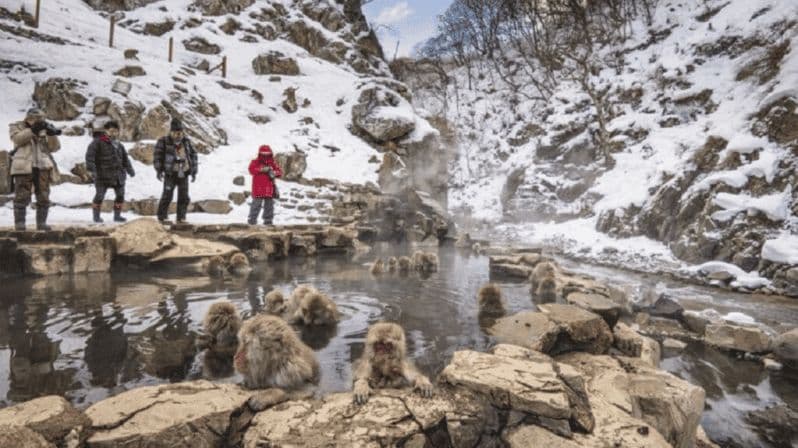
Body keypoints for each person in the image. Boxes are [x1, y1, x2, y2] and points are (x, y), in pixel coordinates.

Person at [8, 108, 61, 231]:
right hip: (23, 166)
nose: (39, 121)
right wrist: (32, 130)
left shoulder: (44, 128)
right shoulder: (17, 126)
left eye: (41, 119)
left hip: (42, 166)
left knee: (44, 196)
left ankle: (41, 224)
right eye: (36, 119)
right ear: (28, 118)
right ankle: (20, 224)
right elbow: (17, 139)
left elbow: (54, 148)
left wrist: (51, 134)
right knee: (21, 195)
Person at [85, 121, 135, 223]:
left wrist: (130, 169)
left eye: (116, 131)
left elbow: (125, 159)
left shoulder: (119, 145)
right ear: (106, 131)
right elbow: (90, 157)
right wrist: (91, 170)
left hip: (118, 175)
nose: (114, 133)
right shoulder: (97, 142)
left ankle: (117, 216)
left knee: (120, 195)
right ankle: (96, 216)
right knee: (99, 196)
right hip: (102, 175)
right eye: (111, 131)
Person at [154, 118, 198, 224]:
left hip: (184, 172)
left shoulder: (186, 142)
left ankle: (181, 217)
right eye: (176, 133)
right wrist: (159, 170)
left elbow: (193, 155)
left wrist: (194, 171)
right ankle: (162, 216)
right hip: (170, 173)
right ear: (171, 132)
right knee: (167, 195)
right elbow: (157, 157)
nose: (178, 135)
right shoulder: (163, 141)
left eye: (180, 133)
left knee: (184, 196)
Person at [247, 145, 282, 225]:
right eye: (263, 154)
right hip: (258, 188)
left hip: (269, 189)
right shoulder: (255, 162)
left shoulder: (272, 164)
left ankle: (268, 221)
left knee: (269, 206)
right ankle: (252, 220)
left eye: (267, 154)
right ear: (260, 154)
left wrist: (274, 172)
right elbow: (251, 170)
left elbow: (279, 172)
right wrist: (261, 169)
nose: (265, 155)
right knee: (256, 205)